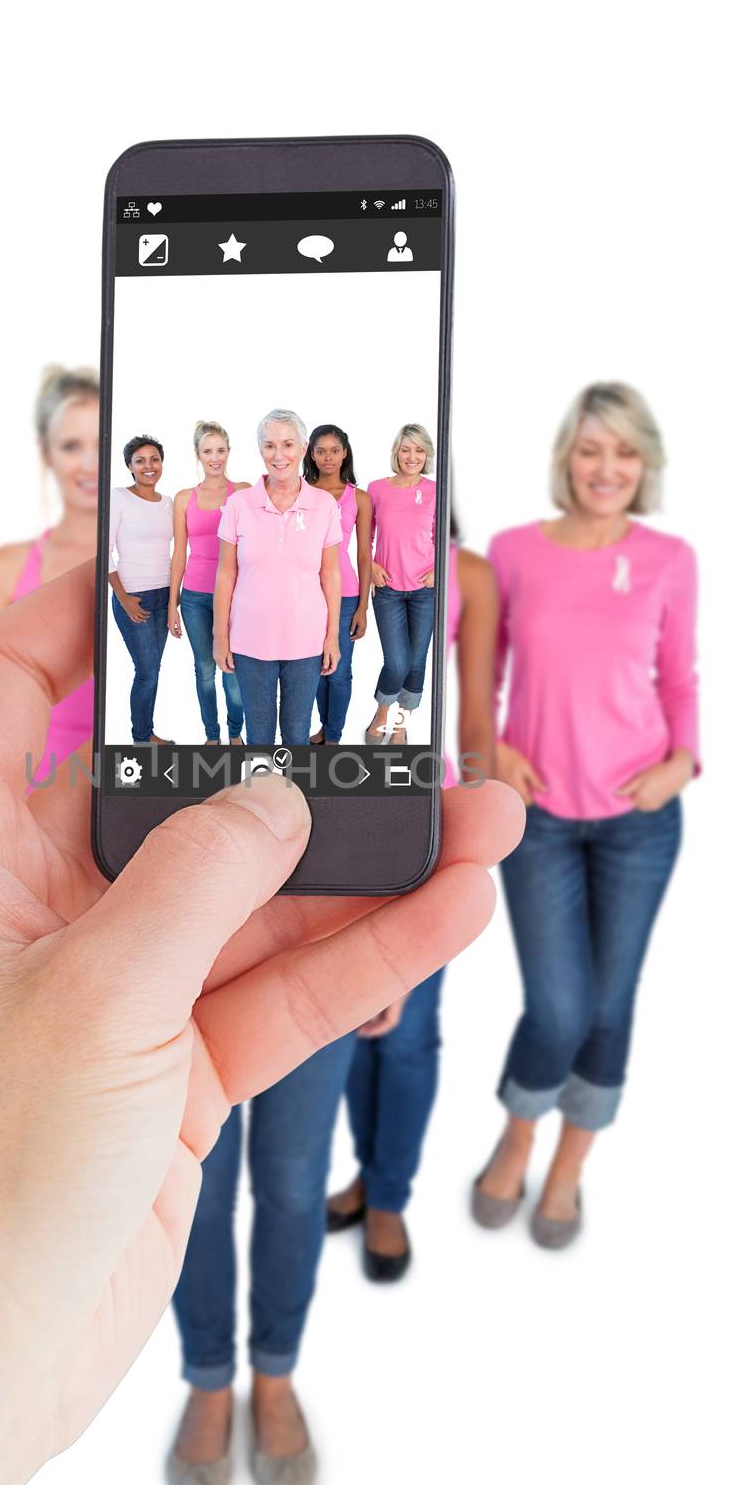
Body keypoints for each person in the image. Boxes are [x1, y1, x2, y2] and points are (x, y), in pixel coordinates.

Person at [0, 557, 523, 1485]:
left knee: (286, 1180)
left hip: (310, 930)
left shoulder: (353, 607)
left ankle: (273, 1368)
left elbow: (403, 749)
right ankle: (206, 1377)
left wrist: (388, 927)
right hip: (142, 921)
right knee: (168, 1183)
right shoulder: (189, 592)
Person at [472, 382, 699, 1249]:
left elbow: (678, 677)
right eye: (592, 449)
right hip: (537, 819)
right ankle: (519, 1129)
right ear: (567, 455)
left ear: (644, 464)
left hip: (640, 820)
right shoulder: (512, 551)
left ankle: (568, 1163)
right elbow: (482, 673)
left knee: (608, 1005)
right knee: (558, 1006)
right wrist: (487, 751)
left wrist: (681, 763)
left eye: (625, 452)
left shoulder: (669, 558)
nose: (607, 468)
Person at [328, 521, 499, 1277]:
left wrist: (474, 825)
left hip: (425, 807)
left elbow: (473, 709)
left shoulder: (469, 572)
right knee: (346, 1012)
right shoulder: (330, 536)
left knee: (408, 1024)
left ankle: (390, 1193)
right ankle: (368, 1172)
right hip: (331, 803)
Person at [0, 365, 99, 778]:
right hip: (24, 793)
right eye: (70, 446)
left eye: (101, 442)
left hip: (122, 794)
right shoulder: (5, 569)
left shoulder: (151, 565)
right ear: (46, 452)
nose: (88, 463)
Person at [214, 410, 341, 747]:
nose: (278, 455)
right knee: (259, 736)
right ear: (260, 452)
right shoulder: (239, 504)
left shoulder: (324, 505)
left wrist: (332, 637)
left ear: (302, 449)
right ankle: (259, 797)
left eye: (287, 444)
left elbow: (330, 574)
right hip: (250, 640)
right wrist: (220, 636)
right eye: (269, 446)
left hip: (306, 640)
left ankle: (291, 799)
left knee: (296, 736)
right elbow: (226, 573)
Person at [168, 420, 249, 743]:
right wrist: (173, 604)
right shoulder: (184, 498)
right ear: (197, 455)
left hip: (235, 595)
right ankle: (211, 735)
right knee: (204, 669)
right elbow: (179, 553)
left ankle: (234, 733)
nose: (215, 457)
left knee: (232, 669)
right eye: (207, 451)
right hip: (195, 598)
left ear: (228, 452)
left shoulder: (242, 492)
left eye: (220, 450)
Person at [364, 422, 438, 745]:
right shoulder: (377, 489)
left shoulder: (437, 490)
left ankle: (402, 723)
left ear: (427, 455)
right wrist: (372, 567)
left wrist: (439, 568)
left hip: (425, 590)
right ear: (397, 452)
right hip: (389, 589)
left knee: (417, 662)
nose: (412, 456)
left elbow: (447, 537)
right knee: (397, 662)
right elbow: (363, 538)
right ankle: (383, 711)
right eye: (406, 449)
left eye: (419, 450)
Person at [302, 424, 372, 743]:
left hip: (345, 594)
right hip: (305, 592)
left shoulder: (359, 498)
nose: (327, 457)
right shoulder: (299, 491)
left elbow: (363, 555)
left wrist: (362, 608)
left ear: (345, 453)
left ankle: (333, 735)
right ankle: (324, 727)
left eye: (334, 450)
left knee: (339, 669)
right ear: (311, 455)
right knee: (315, 668)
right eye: (320, 451)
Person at [108, 434, 173, 743]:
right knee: (146, 671)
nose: (149, 466)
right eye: (141, 461)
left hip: (164, 595)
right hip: (134, 595)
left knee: (153, 669)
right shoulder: (118, 497)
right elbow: (104, 550)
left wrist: (173, 600)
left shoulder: (168, 503)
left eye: (154, 459)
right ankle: (141, 738)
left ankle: (147, 733)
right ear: (129, 467)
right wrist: (123, 599)